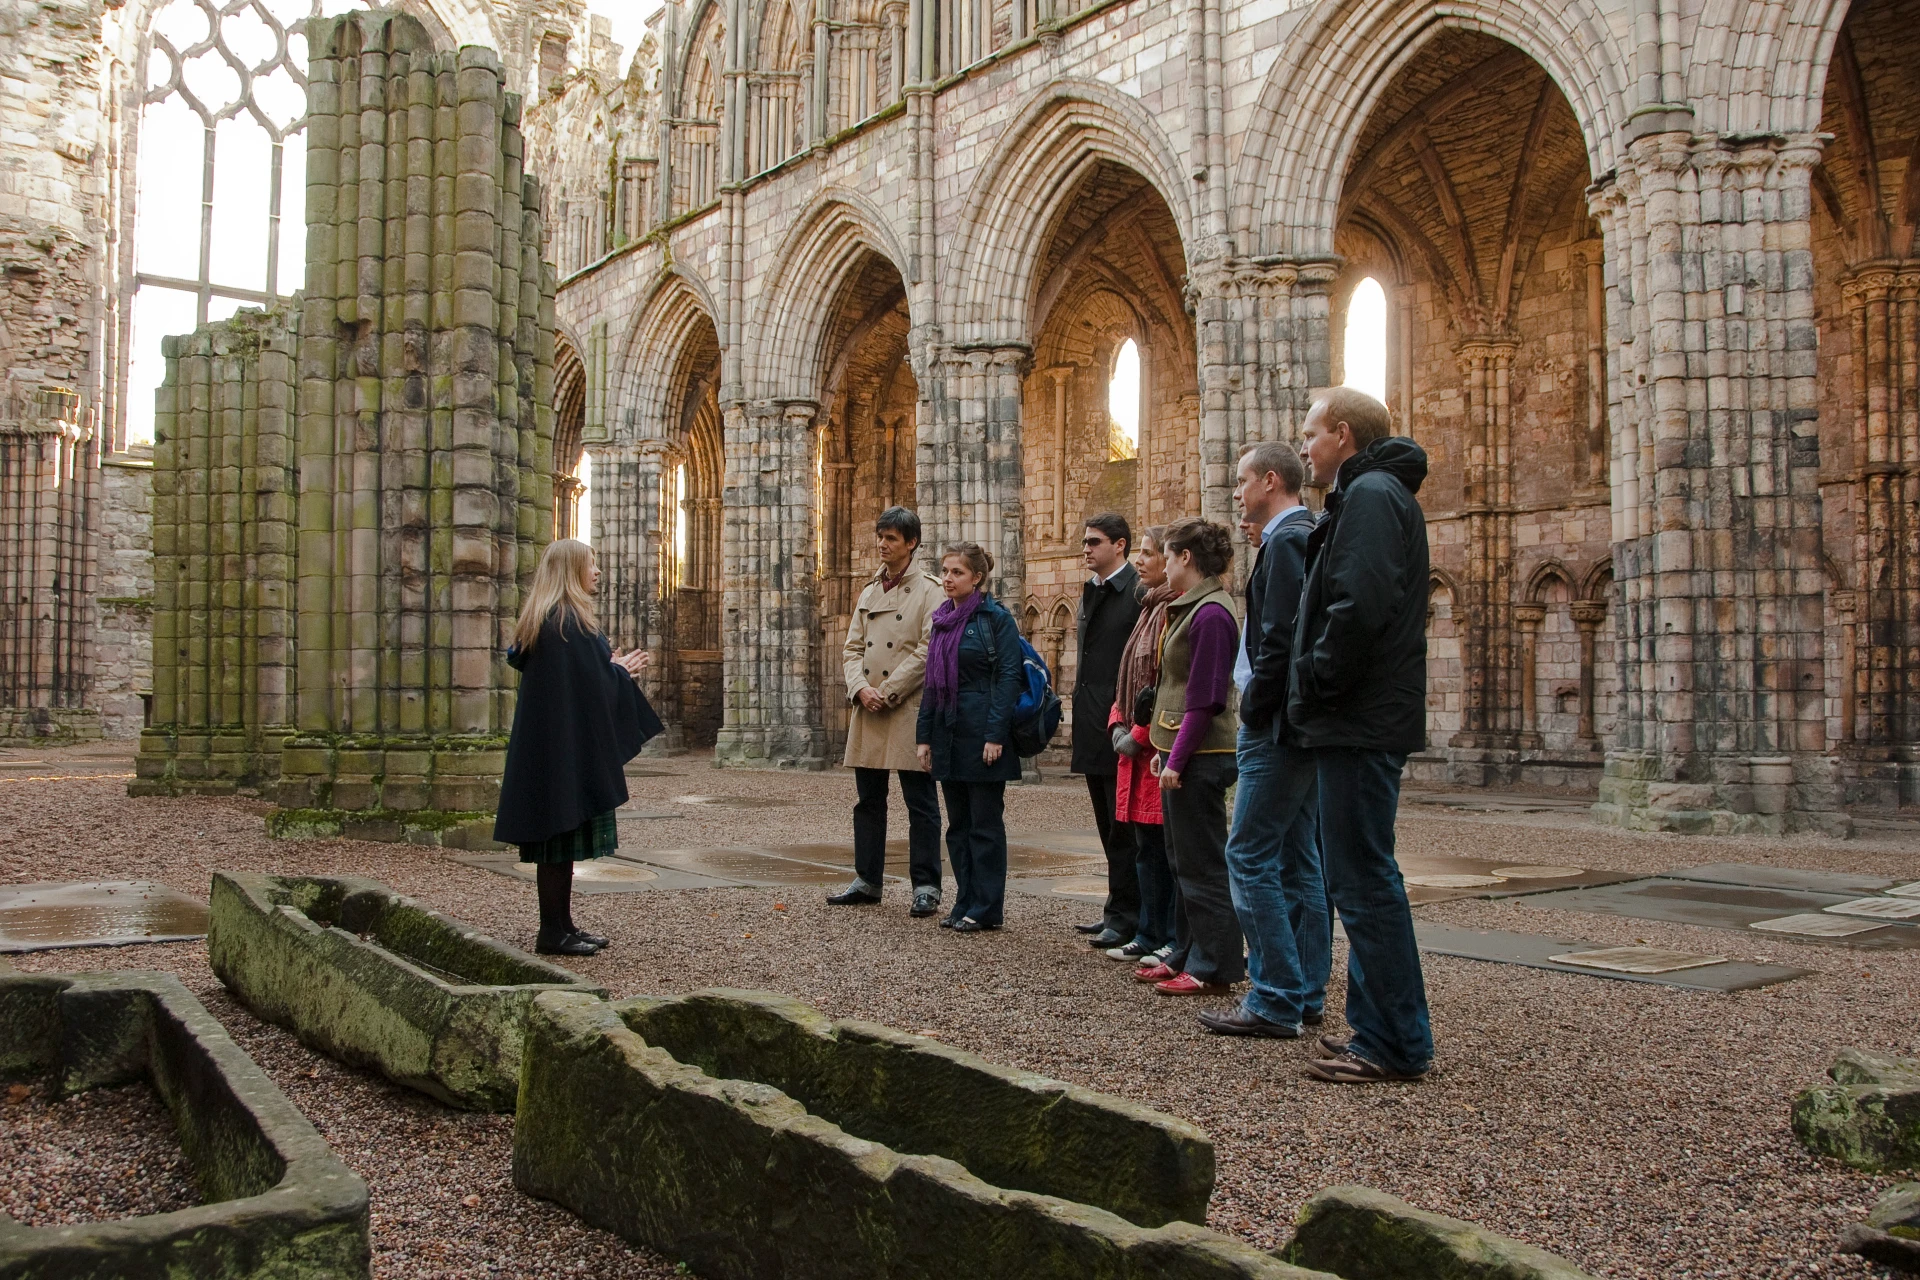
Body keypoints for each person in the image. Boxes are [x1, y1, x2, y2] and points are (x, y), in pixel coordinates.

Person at [1290, 386, 1434, 1083]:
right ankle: (1378, 1027)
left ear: (1342, 435)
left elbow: (1360, 604)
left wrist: (1317, 679)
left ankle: (1396, 1042)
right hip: (1357, 714)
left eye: (1311, 435)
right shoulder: (1368, 493)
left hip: (1358, 715)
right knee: (1359, 877)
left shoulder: (1372, 495)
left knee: (1366, 879)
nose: (1304, 449)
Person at [1201, 441, 1329, 1039]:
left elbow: (1279, 638)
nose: (1235, 491)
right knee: (1300, 858)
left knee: (1248, 854)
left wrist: (1255, 705)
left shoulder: (1287, 539)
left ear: (1270, 481)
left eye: (1242, 479)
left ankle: (1277, 995)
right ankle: (1303, 991)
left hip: (1275, 724)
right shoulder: (1299, 535)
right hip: (1293, 721)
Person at [494, 538, 663, 957]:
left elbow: (576, 684)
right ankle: (552, 931)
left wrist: (608, 671)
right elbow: (590, 686)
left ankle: (562, 925)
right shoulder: (566, 622)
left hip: (552, 749)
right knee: (558, 840)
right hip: (561, 754)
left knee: (560, 842)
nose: (598, 571)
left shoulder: (551, 619)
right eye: (592, 564)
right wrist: (619, 673)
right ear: (571, 570)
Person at [1132, 518, 1243, 997]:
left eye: (1170, 554)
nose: (1165, 563)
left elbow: (1205, 698)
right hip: (1182, 750)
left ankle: (1214, 965)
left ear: (1186, 558)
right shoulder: (1192, 607)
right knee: (1182, 861)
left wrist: (1178, 757)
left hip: (1204, 753)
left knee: (1203, 864)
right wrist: (1165, 750)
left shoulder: (1213, 613)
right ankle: (1186, 951)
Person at [829, 507, 944, 917]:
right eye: (880, 536)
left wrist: (889, 690)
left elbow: (927, 649)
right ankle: (868, 880)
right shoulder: (869, 590)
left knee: (921, 802)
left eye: (891, 538)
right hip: (869, 706)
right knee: (868, 800)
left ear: (911, 543)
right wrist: (861, 688)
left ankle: (926, 885)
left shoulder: (931, 591)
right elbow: (852, 648)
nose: (882, 544)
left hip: (906, 705)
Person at [916, 542, 1024, 933]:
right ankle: (965, 900)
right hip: (949, 731)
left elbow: (1009, 677)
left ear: (977, 578)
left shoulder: (997, 619)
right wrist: (924, 736)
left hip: (982, 734)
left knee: (985, 824)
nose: (947, 578)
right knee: (958, 825)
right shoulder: (942, 619)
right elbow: (932, 682)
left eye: (956, 572)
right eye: (944, 571)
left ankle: (987, 906)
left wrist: (996, 734)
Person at [1104, 526, 1179, 965]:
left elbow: (1163, 684)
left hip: (1154, 749)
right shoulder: (1147, 609)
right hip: (1134, 748)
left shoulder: (1172, 610)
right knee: (1145, 849)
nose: (1141, 561)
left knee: (1163, 849)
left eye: (1151, 554)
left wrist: (1134, 735)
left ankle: (1167, 934)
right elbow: (1128, 678)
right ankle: (1147, 932)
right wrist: (1117, 722)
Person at [1069, 513, 1143, 951]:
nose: (1086, 548)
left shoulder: (1134, 592)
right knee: (1106, 823)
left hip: (1119, 723)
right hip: (1093, 719)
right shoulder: (1093, 592)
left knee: (1125, 827)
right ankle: (1116, 910)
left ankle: (1130, 916)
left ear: (1120, 545)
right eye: (1084, 542)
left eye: (1094, 542)